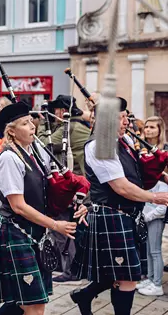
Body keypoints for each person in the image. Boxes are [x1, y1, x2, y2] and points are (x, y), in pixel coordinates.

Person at [0, 101, 83, 315]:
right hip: (17, 232)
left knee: (27, 300)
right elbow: (18, 206)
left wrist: (72, 197)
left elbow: (47, 188)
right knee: (34, 305)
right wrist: (55, 225)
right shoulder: (8, 158)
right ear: (12, 131)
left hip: (35, 232)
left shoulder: (34, 152)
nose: (32, 126)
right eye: (25, 124)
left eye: (30, 121)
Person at [71, 98, 168, 315]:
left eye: (126, 116)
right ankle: (86, 297)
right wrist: (155, 198)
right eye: (121, 117)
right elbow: (121, 187)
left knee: (122, 273)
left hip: (127, 215)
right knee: (128, 277)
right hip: (112, 215)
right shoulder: (99, 146)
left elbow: (135, 172)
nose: (127, 121)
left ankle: (84, 296)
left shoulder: (122, 140)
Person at [39, 94, 91, 283]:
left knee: (64, 231)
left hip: (71, 188)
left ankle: (70, 269)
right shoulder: (82, 126)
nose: (53, 114)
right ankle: (69, 266)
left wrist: (43, 125)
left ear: (61, 111)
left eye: (54, 111)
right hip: (81, 186)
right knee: (72, 230)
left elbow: (43, 144)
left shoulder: (67, 128)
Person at [137, 116, 168, 296]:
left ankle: (156, 283)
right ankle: (150, 277)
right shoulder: (141, 150)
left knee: (155, 248)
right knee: (149, 247)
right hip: (146, 201)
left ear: (159, 130)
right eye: (146, 127)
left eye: (152, 127)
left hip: (160, 202)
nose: (148, 130)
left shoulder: (164, 152)